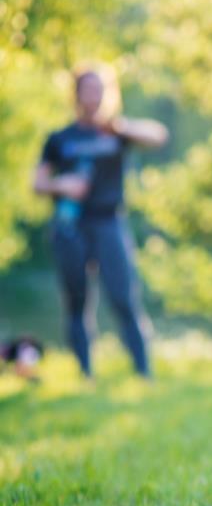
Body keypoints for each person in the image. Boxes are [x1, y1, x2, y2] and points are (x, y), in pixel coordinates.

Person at [33, 65, 168, 379]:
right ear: (77, 94)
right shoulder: (60, 138)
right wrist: (61, 185)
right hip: (71, 226)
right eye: (87, 89)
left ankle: (143, 371)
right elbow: (38, 183)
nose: (93, 96)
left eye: (99, 89)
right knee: (77, 300)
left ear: (108, 94)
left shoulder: (117, 133)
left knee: (123, 297)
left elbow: (159, 136)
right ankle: (85, 373)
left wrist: (119, 128)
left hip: (109, 223)